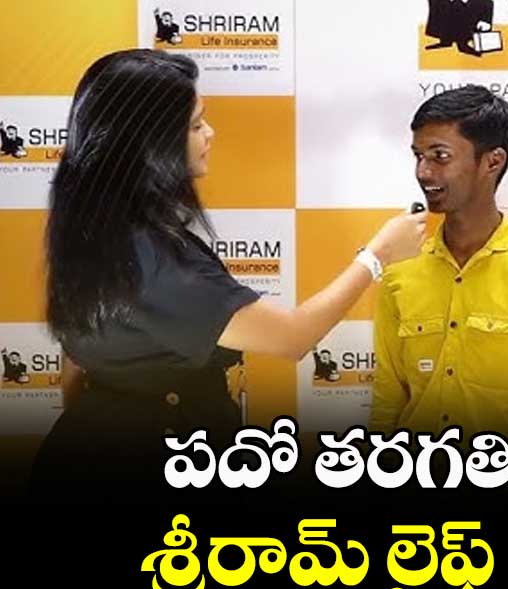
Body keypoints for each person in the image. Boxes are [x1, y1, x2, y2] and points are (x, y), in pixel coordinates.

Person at [28, 49, 428, 502]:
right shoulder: (152, 258)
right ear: (150, 143)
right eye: (195, 125)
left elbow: (75, 367)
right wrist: (377, 256)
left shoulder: (92, 226)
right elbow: (291, 337)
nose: (210, 134)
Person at [369, 85, 508, 462]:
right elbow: (388, 400)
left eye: (440, 156)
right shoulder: (400, 269)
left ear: (492, 162)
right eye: (418, 156)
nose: (423, 172)